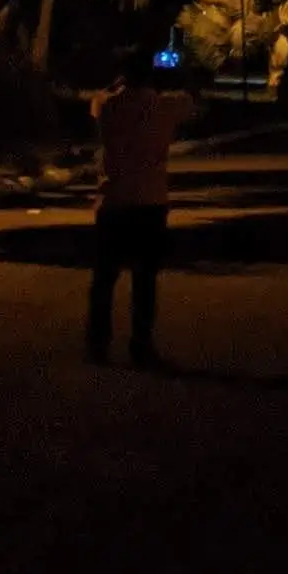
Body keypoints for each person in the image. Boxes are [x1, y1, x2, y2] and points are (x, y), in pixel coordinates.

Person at [87, 48, 201, 366]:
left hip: (112, 199)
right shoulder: (165, 105)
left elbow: (97, 99)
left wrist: (115, 85)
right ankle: (141, 342)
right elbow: (192, 99)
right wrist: (179, 74)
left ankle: (98, 343)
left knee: (104, 279)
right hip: (150, 201)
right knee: (145, 279)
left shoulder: (106, 105)